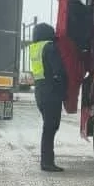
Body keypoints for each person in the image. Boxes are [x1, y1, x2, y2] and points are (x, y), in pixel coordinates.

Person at [29, 22, 68, 172]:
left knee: (48, 127)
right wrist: (64, 89)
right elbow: (59, 71)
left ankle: (47, 161)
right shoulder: (50, 47)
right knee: (50, 128)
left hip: (40, 92)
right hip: (51, 93)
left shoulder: (35, 48)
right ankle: (47, 162)